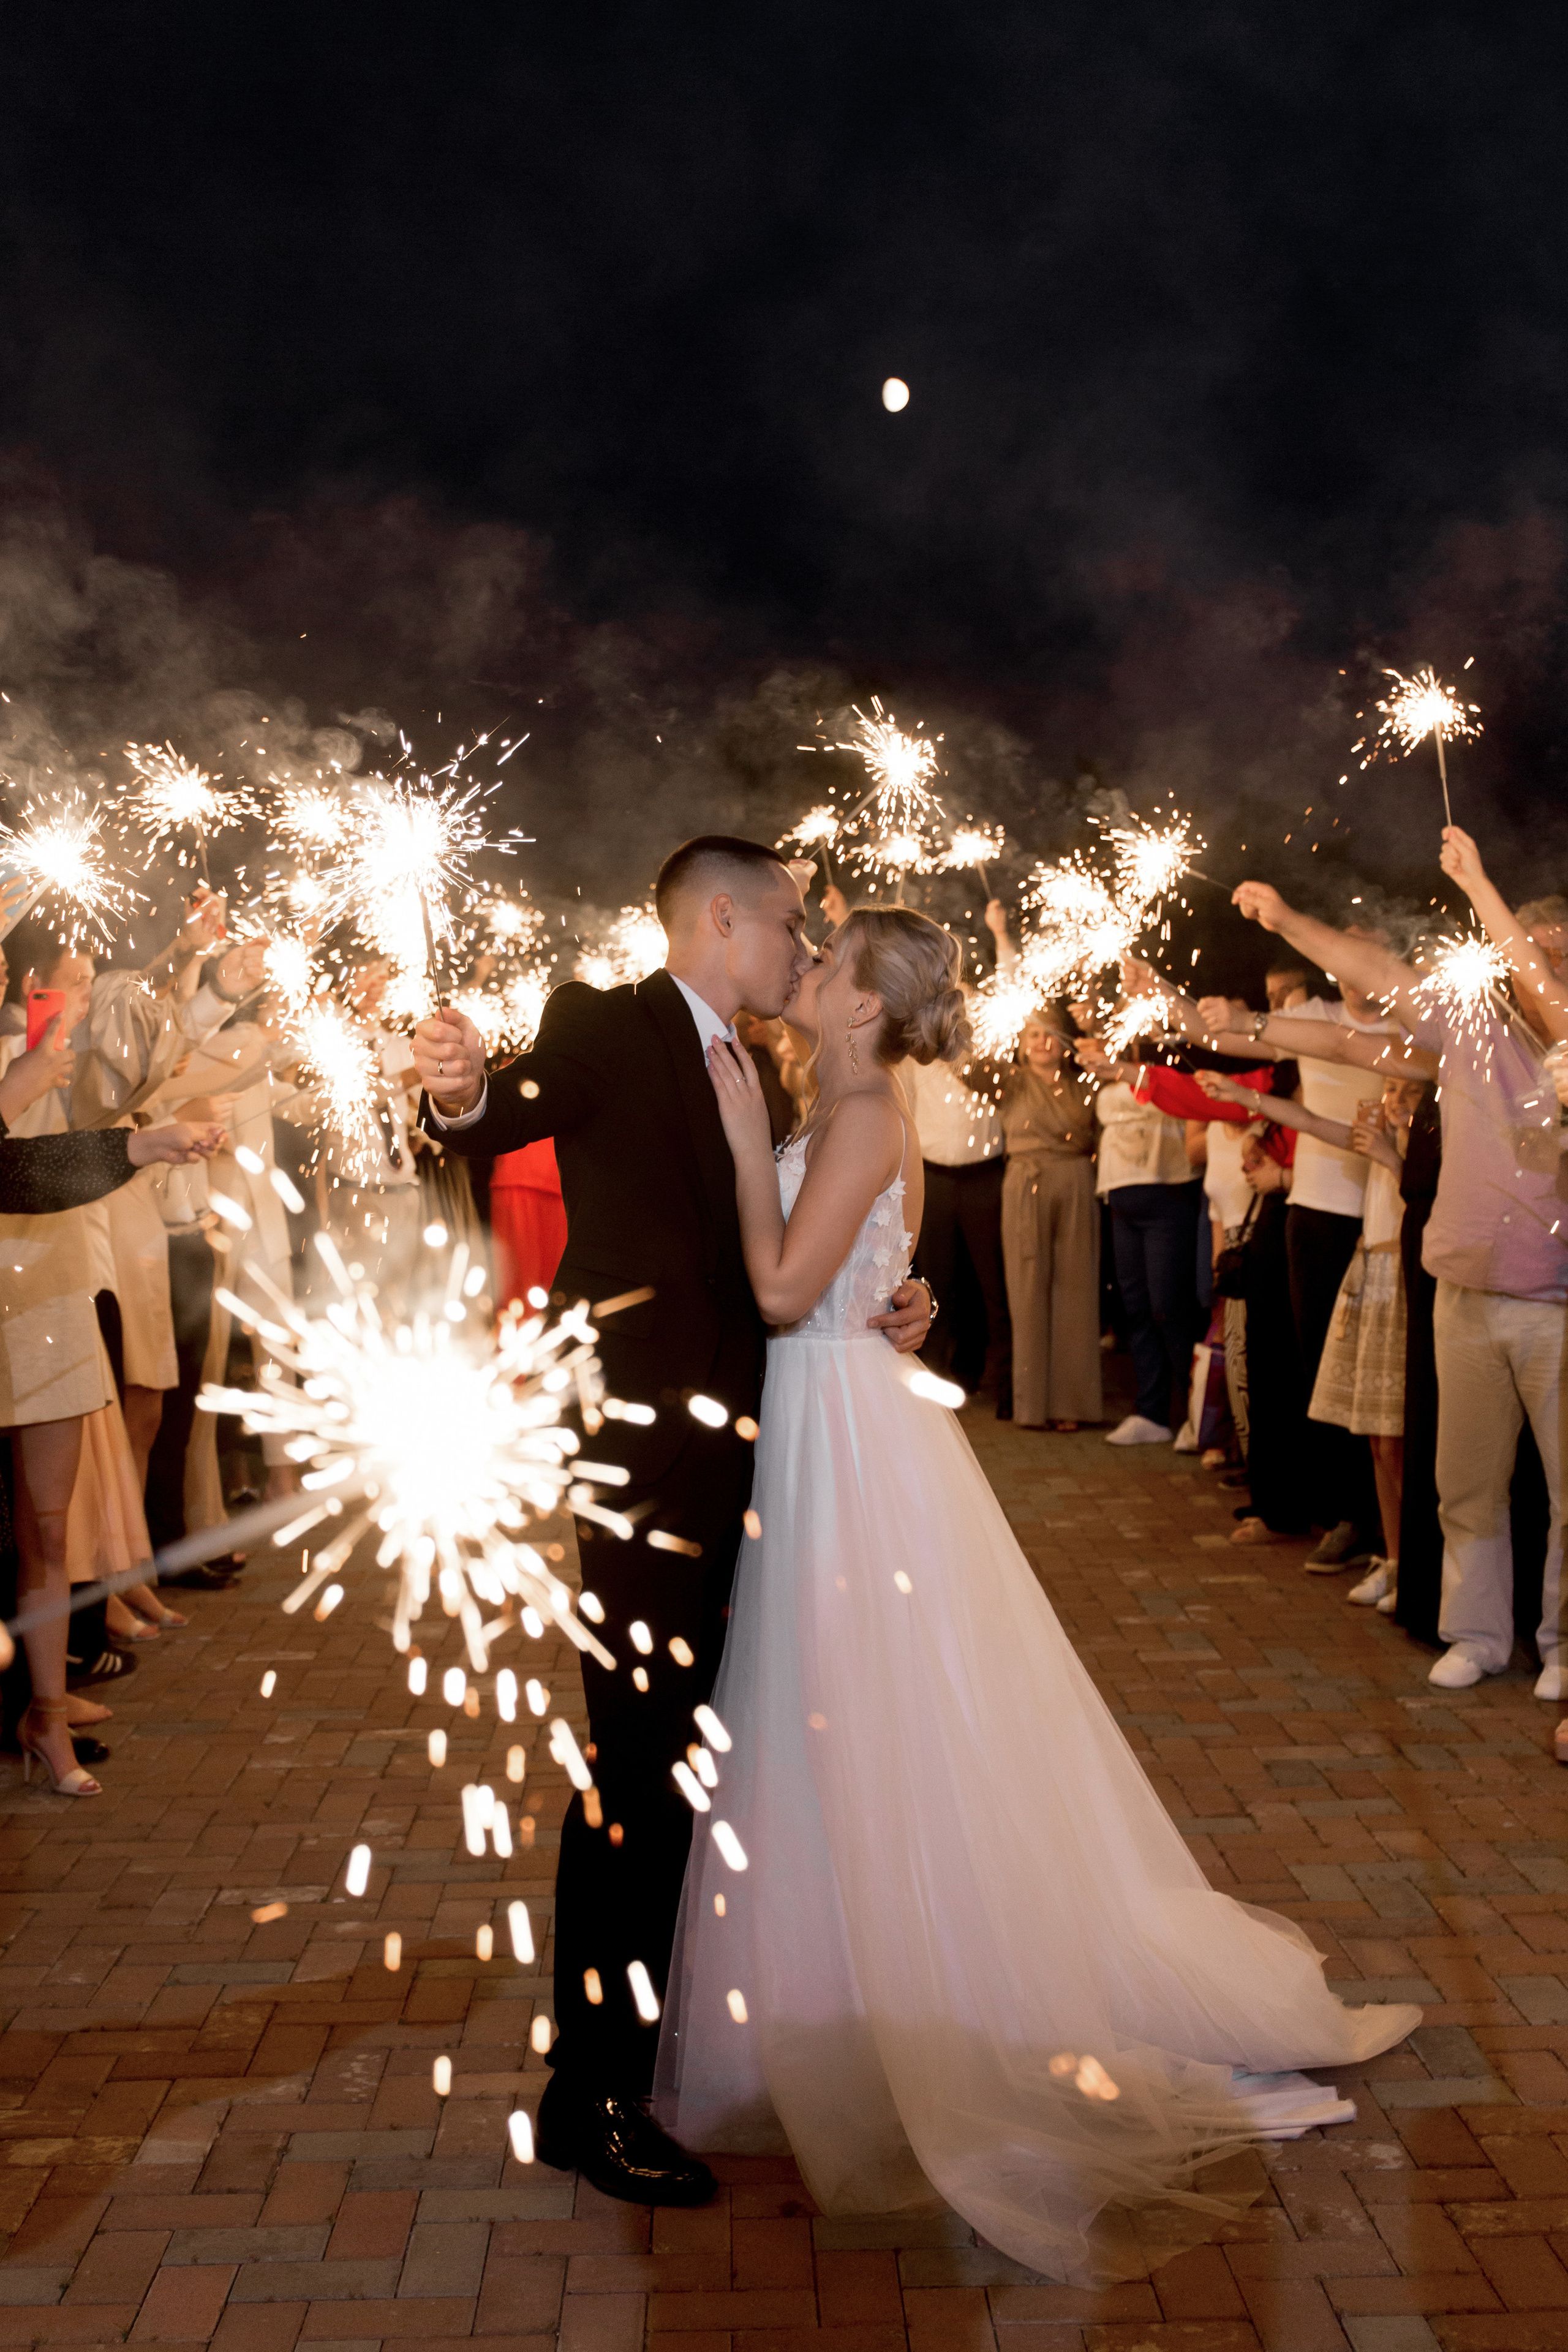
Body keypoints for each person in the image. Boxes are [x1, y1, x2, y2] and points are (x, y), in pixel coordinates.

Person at [658, 901, 1417, 2278]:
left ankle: (917, 2002)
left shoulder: (861, 1113)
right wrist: (894, 1284)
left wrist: (735, 1149)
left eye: (824, 968)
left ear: (862, 1009)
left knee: (860, 1709)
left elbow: (778, 1289)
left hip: (839, 1429)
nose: (803, 972)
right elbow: (841, 1269)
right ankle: (830, 1996)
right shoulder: (840, 1101)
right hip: (837, 1409)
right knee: (829, 1717)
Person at [408, 836, 933, 2206]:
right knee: (636, 1761)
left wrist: (886, 1307)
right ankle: (592, 2099)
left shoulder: (760, 1066)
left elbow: (785, 1244)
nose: (801, 952)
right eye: (789, 929)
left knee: (705, 1756)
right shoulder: (608, 1023)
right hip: (646, 1460)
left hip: (764, 1456)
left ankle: (683, 2037)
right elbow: (506, 1105)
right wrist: (461, 1092)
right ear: (721, 920)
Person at [1231, 863, 1567, 1700]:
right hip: (1460, 1296)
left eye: (1553, 956)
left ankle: (1561, 1649)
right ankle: (1477, 1634)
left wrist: (1482, 884)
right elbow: (1366, 1004)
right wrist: (1287, 920)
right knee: (1466, 1484)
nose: (1538, 968)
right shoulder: (1470, 1030)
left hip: (1554, 1305)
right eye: (1530, 954)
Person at [1077, 1031, 1202, 1445]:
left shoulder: (1170, 1054)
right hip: (1120, 1192)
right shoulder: (1112, 1047)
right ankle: (1152, 1412)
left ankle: (1194, 1415)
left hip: (1168, 1190)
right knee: (1136, 1307)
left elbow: (1168, 1095)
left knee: (1170, 1307)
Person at [991, 1009, 1099, 1429]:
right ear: (1019, 1042)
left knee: (1076, 1289)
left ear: (1064, 1042)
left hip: (1074, 1179)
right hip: (1025, 1181)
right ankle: (1031, 1405)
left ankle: (1070, 1405)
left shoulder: (1085, 1082)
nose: (1041, 1042)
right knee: (1027, 1289)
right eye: (1032, 1034)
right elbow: (967, 1063)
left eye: (1049, 1034)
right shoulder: (1008, 1081)